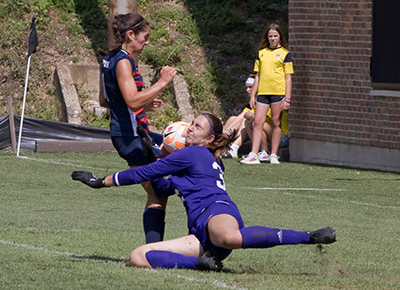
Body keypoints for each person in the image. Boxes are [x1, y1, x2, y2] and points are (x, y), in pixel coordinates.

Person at [72, 113, 336, 271]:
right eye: (191, 124)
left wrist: (102, 181)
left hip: (217, 211)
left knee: (227, 236)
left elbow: (145, 174)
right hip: (199, 231)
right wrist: (151, 155)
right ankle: (202, 262)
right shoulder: (197, 157)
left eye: (196, 126)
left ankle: (308, 236)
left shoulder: (193, 153)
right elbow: (162, 187)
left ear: (209, 139)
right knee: (138, 256)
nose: (190, 129)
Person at [99, 12, 177, 243]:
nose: (147, 41)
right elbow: (132, 100)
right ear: (130, 34)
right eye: (145, 36)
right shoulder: (123, 61)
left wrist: (144, 104)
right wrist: (162, 82)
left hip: (131, 131)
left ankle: (154, 248)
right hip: (131, 135)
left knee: (164, 176)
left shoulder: (109, 58)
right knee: (158, 191)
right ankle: (153, 251)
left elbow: (106, 100)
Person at [241, 23, 293, 165]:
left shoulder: (285, 54)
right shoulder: (261, 53)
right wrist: (253, 95)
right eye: (270, 36)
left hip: (278, 92)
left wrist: (287, 98)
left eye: (275, 36)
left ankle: (274, 155)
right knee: (258, 122)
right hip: (263, 93)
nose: (272, 38)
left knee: (276, 122)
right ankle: (254, 154)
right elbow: (257, 76)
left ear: (280, 37)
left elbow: (288, 77)